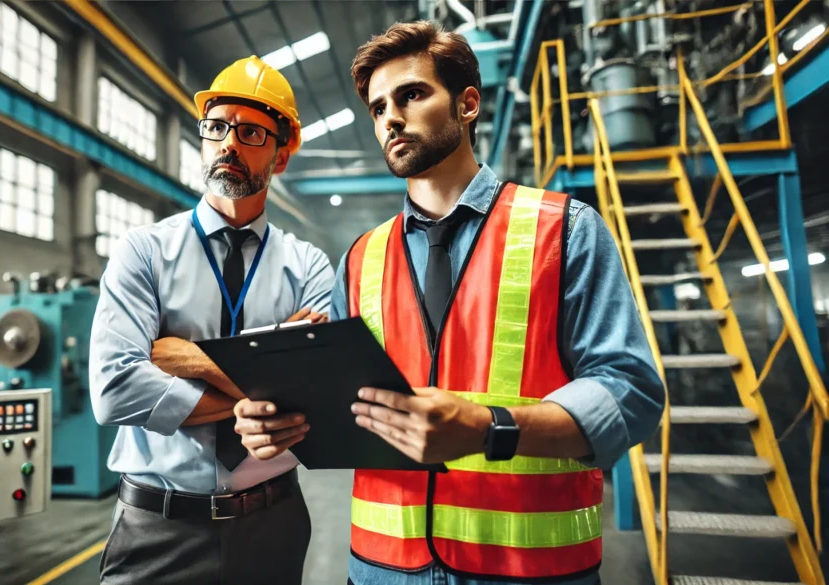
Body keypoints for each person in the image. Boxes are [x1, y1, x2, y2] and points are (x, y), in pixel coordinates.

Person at [232, 21, 665, 585]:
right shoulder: (361, 258)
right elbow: (341, 402)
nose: (390, 116)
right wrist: (277, 422)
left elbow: (630, 392)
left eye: (411, 94)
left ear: (467, 105)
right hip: (383, 567)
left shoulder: (564, 231)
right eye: (377, 106)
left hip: (526, 568)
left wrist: (491, 428)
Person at [88, 55, 335, 585]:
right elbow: (114, 389)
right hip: (157, 525)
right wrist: (264, 383)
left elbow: (315, 395)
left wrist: (184, 356)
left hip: (273, 523)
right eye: (217, 127)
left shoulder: (308, 265)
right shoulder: (143, 251)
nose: (228, 144)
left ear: (281, 155)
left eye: (250, 132)